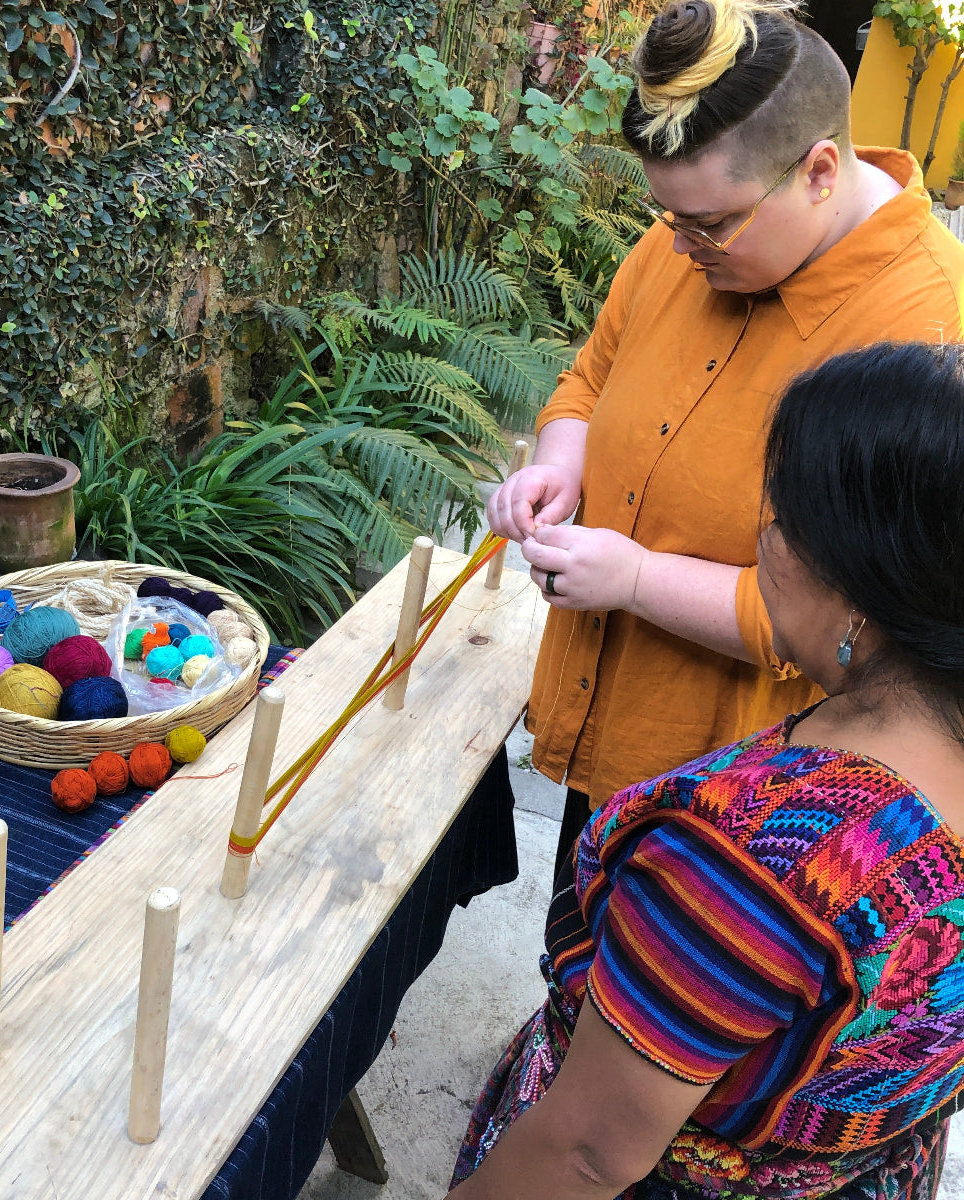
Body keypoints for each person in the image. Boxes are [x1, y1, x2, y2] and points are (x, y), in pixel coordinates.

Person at [450, 340, 964, 1200]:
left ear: (862, 589)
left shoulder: (756, 865)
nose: (764, 541)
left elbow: (585, 1155)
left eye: (783, 521)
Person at [485, 0, 964, 881]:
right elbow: (589, 378)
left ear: (820, 170)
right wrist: (558, 466)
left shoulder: (926, 328)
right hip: (620, 724)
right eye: (670, 218)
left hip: (749, 802)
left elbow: (857, 616)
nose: (684, 246)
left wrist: (630, 576)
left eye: (709, 224)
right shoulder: (689, 235)